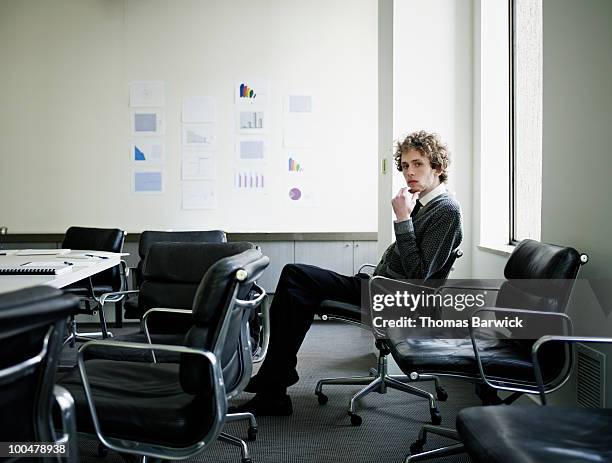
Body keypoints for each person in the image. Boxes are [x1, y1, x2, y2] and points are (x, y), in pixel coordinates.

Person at [234, 130, 463, 416]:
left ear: (438, 168)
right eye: (404, 166)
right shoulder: (425, 204)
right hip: (378, 287)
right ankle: (274, 385)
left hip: (395, 298)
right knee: (296, 292)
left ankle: (274, 383)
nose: (409, 173)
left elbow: (419, 274)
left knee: (296, 277)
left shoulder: (446, 211)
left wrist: (403, 219)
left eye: (418, 164)